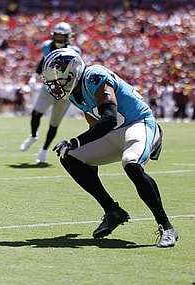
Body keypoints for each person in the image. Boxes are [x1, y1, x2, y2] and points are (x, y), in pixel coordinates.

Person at [42, 48, 178, 247]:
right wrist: (84, 154)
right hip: (113, 133)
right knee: (69, 156)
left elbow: (108, 118)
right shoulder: (74, 93)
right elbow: (94, 125)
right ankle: (112, 211)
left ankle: (166, 227)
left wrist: (76, 140)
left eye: (58, 75)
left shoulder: (95, 76)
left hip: (138, 124)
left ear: (72, 70)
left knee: (131, 164)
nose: (55, 82)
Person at [20, 22, 81, 163]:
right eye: (57, 36)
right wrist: (34, 76)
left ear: (68, 37)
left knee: (54, 123)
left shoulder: (74, 51)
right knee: (36, 113)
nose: (59, 39)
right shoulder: (47, 46)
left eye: (62, 36)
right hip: (49, 86)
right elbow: (44, 61)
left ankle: (44, 150)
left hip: (66, 90)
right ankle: (33, 135)